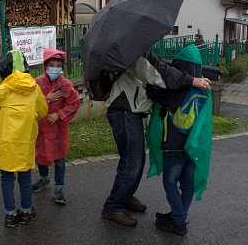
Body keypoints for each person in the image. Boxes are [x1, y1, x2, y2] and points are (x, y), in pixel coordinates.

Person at [101, 50, 211, 227]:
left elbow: (159, 69)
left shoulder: (138, 49)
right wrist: (191, 80)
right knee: (133, 163)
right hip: (125, 111)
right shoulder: (134, 51)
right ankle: (113, 206)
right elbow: (158, 73)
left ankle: (124, 196)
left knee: (132, 161)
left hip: (130, 112)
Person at [0, 49, 48, 228]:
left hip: (5, 145)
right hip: (24, 144)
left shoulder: (1, 90)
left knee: (7, 179)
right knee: (25, 178)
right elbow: (43, 111)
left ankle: (10, 215)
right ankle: (27, 212)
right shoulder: (34, 89)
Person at [146, 44, 213, 235]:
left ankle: (178, 221)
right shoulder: (203, 91)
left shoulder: (175, 90)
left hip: (173, 147)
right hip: (193, 149)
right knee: (187, 185)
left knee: (170, 183)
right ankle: (180, 214)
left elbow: (152, 92)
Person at [32, 48, 80, 205]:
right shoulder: (36, 83)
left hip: (58, 129)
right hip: (41, 127)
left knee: (59, 159)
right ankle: (44, 178)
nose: (55, 68)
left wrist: (59, 114)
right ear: (45, 66)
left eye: (58, 64)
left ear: (62, 66)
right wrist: (47, 98)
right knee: (40, 156)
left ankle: (59, 188)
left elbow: (74, 103)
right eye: (51, 64)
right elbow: (30, 102)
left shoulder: (66, 84)